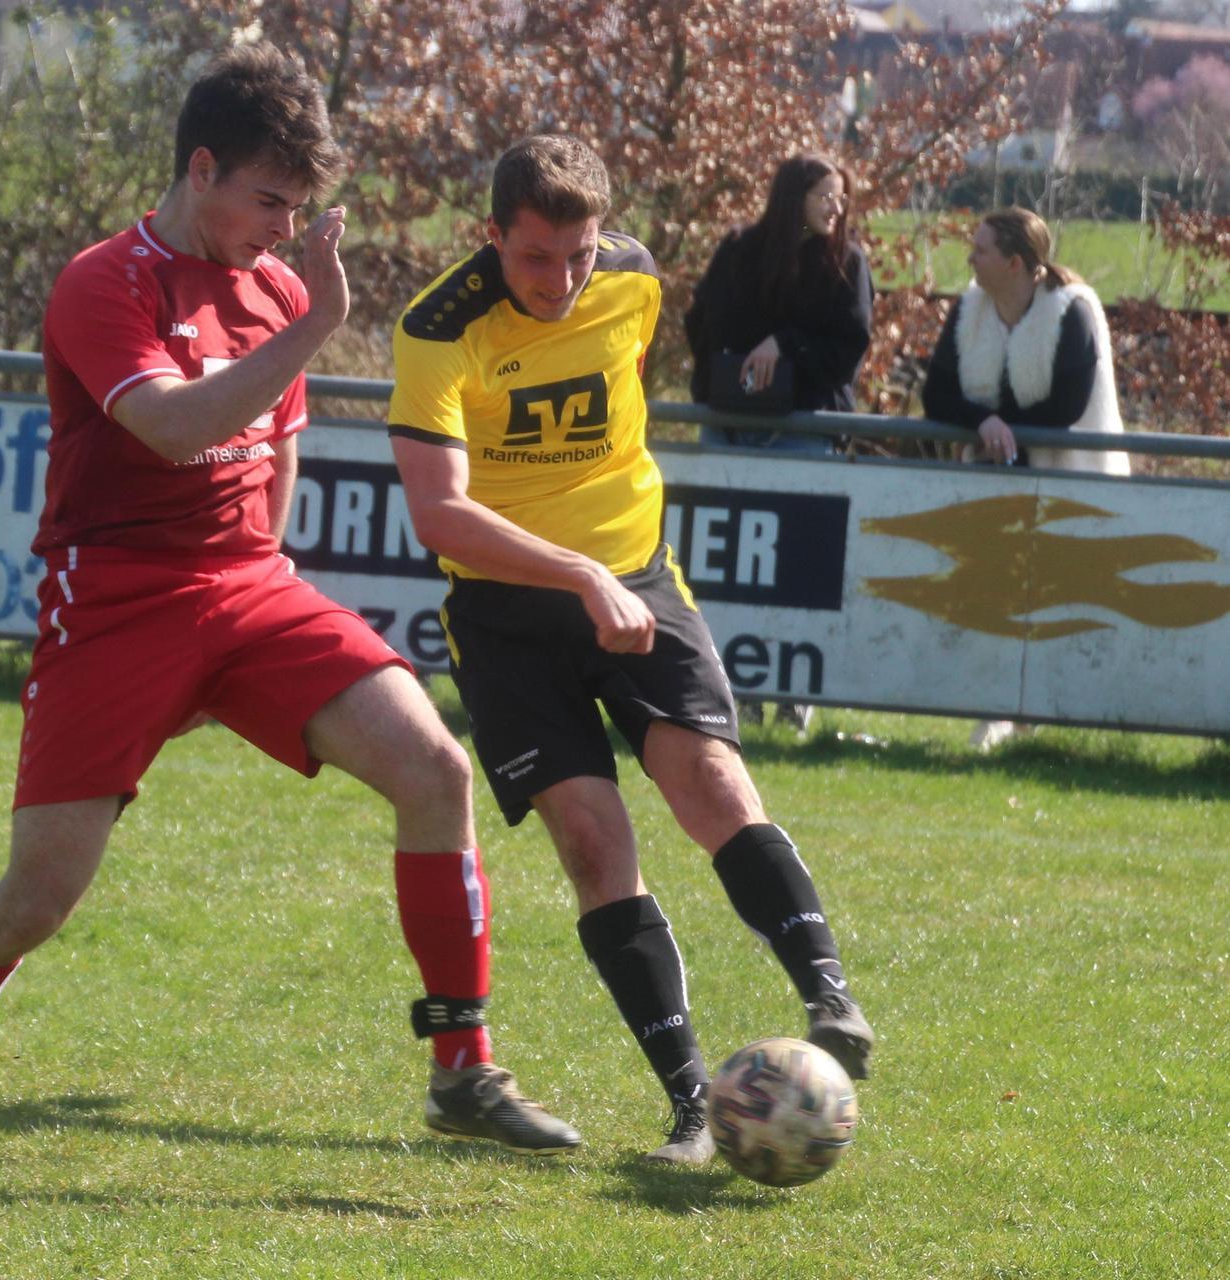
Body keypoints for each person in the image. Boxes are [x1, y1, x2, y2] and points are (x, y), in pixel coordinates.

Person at [0, 47, 579, 1160]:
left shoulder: (275, 288)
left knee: (435, 770)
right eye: (268, 200)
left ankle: (462, 1066)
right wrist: (316, 324)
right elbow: (170, 426)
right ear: (199, 168)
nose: (281, 227)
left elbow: (279, 454)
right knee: (38, 895)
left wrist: (253, 608)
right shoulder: (104, 280)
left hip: (249, 586)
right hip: (114, 605)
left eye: (299, 206)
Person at [387, 135, 874, 1169]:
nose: (560, 280)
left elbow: (625, 400)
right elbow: (439, 513)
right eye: (533, 259)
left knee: (707, 782)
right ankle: (696, 1107)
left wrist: (608, 568)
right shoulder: (436, 328)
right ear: (491, 237)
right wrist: (575, 575)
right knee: (593, 841)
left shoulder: (635, 277)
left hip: (636, 577)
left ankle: (830, 996)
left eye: (578, 253)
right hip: (511, 617)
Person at [922, 207, 1128, 751]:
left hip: (1071, 485)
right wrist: (983, 422)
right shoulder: (970, 311)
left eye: (982, 249)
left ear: (1014, 263)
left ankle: (1060, 720)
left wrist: (1002, 427)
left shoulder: (1072, 313)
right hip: (995, 485)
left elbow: (1066, 406)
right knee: (995, 595)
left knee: (1064, 603)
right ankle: (996, 712)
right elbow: (936, 394)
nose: (970, 257)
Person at [683, 152, 874, 732]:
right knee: (723, 567)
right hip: (731, 426)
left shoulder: (847, 264)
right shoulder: (739, 251)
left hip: (805, 434)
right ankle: (728, 690)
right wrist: (740, 362)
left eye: (841, 197)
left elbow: (849, 346)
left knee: (796, 568)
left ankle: (792, 694)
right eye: (824, 195)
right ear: (794, 197)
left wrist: (787, 346)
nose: (835, 207)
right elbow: (700, 323)